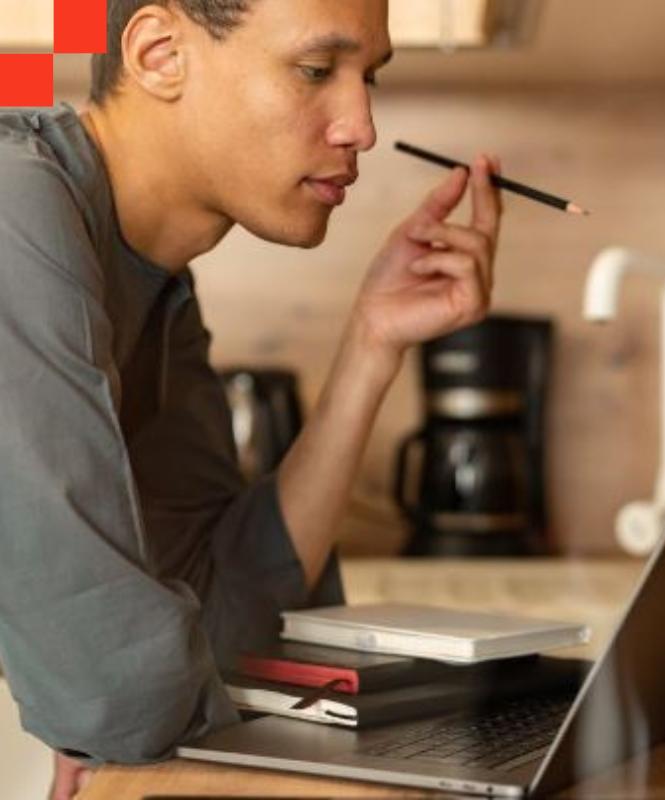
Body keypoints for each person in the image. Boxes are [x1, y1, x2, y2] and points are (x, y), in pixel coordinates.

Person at [0, 0, 502, 797]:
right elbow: (106, 688)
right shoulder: (13, 207)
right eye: (315, 71)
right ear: (161, 55)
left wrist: (373, 345)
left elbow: (240, 620)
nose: (361, 126)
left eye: (367, 78)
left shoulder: (158, 290)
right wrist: (121, 705)